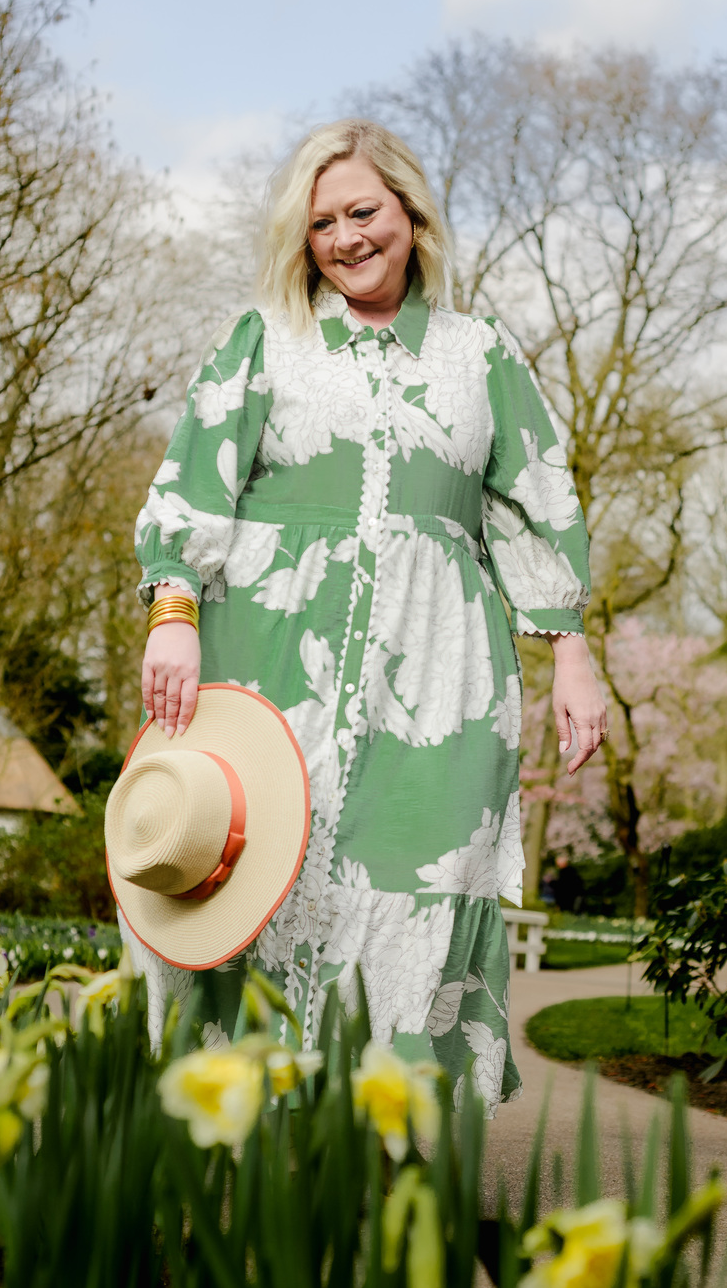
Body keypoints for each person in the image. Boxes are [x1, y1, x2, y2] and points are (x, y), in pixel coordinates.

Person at [126, 119, 606, 1112]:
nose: (344, 237)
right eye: (321, 224)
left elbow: (537, 503)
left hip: (442, 675)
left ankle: (388, 1152)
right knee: (259, 883)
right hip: (268, 662)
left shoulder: (481, 357)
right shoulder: (266, 341)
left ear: (411, 213)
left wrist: (572, 652)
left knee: (413, 886)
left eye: (362, 211)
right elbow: (194, 481)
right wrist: (173, 606)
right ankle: (228, 1137)